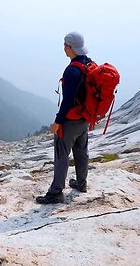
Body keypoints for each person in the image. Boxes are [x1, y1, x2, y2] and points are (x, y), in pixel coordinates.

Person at [36, 31, 91, 204]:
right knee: (81, 151)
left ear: (69, 47)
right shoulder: (89, 64)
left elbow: (67, 101)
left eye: (65, 45)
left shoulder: (72, 70)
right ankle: (81, 183)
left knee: (62, 153)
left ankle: (55, 193)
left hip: (71, 119)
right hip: (85, 118)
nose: (64, 49)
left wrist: (58, 122)